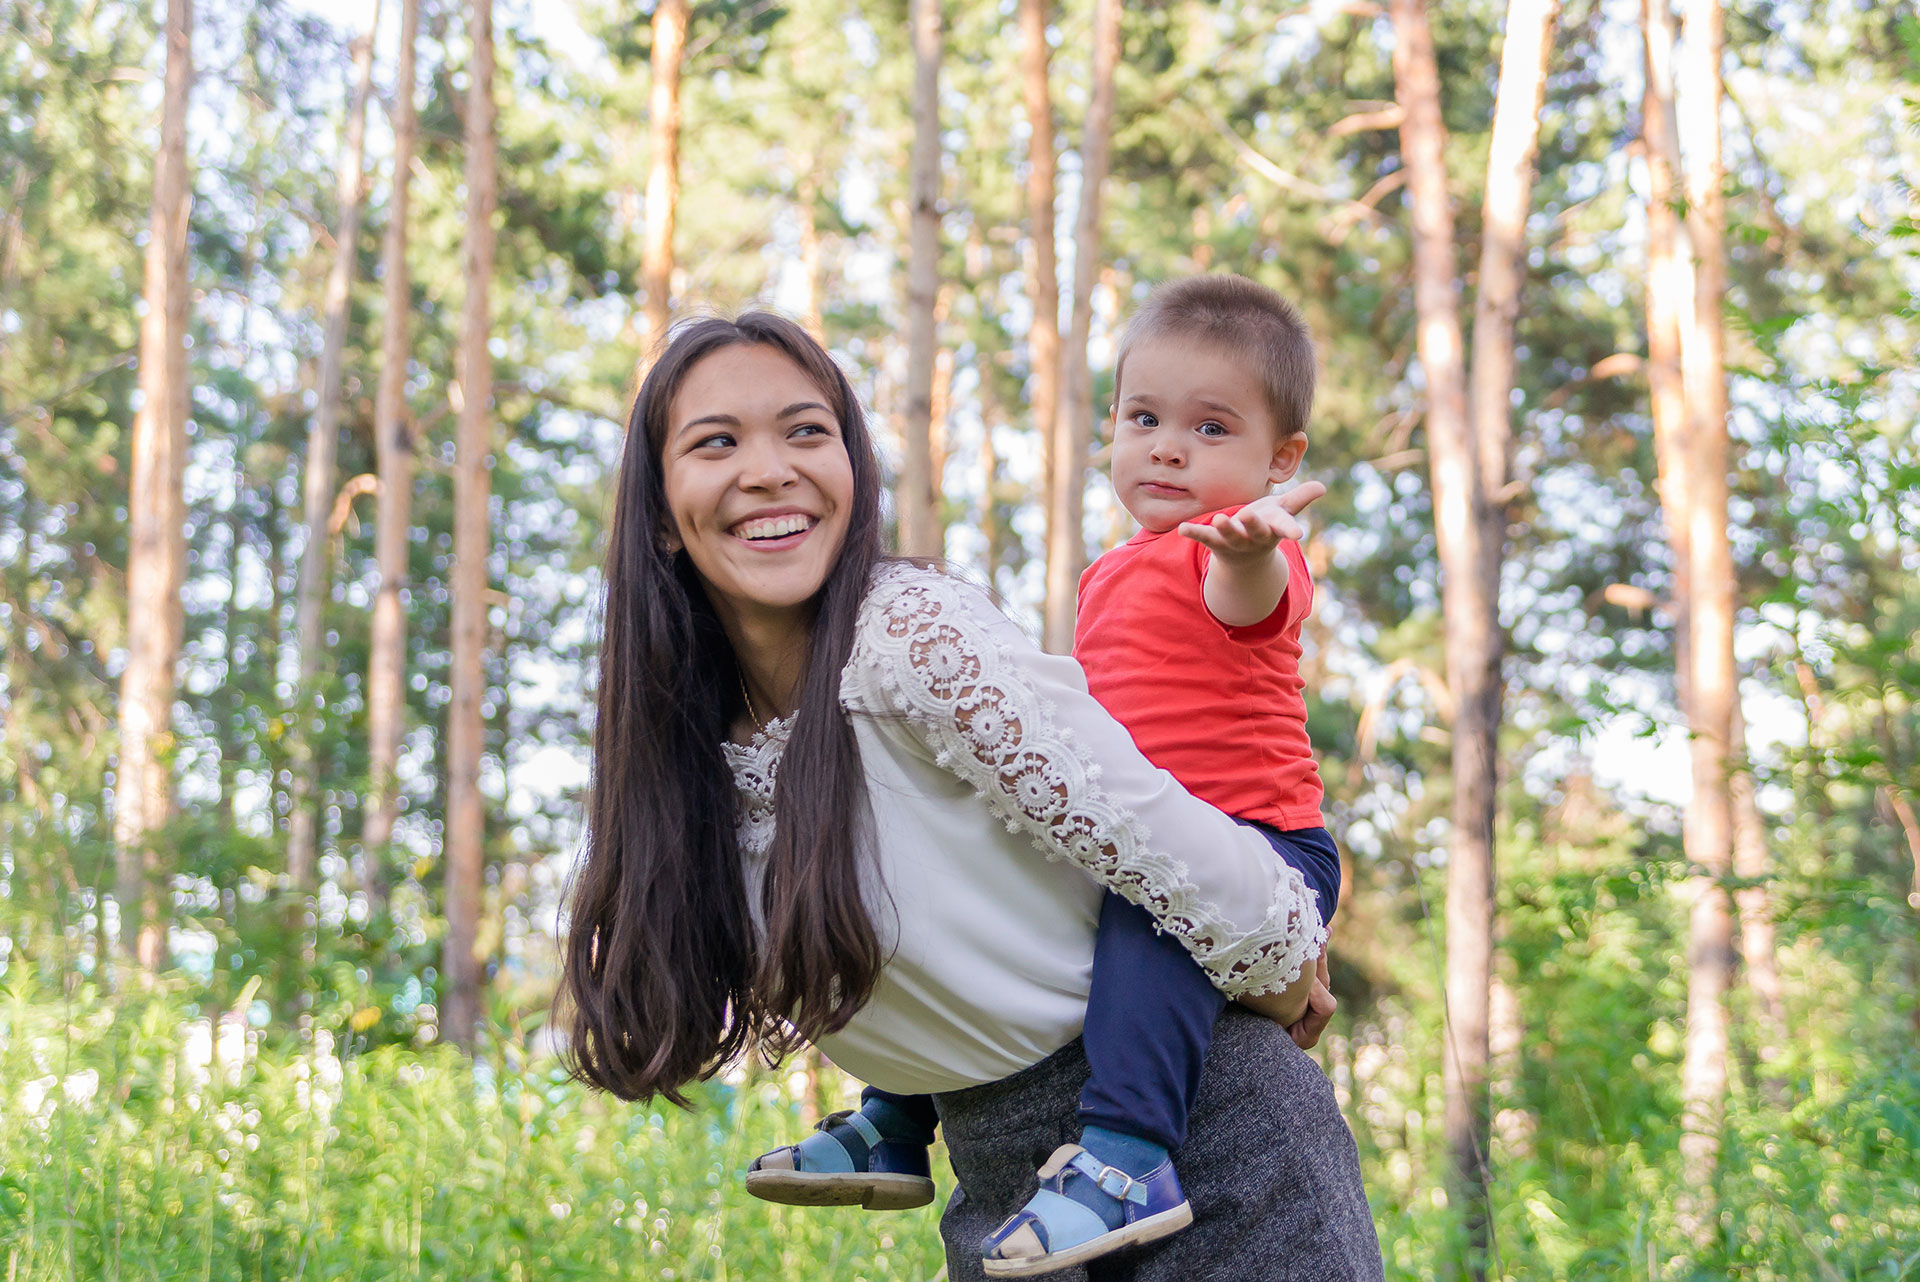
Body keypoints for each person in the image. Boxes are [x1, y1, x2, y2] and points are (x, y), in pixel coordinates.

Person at [561, 310, 1383, 1281]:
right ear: (659, 508)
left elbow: (1173, 852)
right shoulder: (685, 750)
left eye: (806, 431)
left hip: (1216, 1160)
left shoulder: (913, 639)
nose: (770, 468)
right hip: (1001, 1194)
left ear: (853, 470)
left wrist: (1282, 962)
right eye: (716, 442)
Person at [753, 274, 1346, 1277]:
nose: (1167, 446)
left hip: (1251, 843)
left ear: (1279, 459)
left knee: (1147, 926)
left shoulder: (1234, 559)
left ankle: (1126, 1157)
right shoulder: (1112, 569)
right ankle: (897, 1123)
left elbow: (1248, 603)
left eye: (1211, 429)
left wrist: (1252, 550)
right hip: (1141, 841)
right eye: (1145, 417)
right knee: (1000, 924)